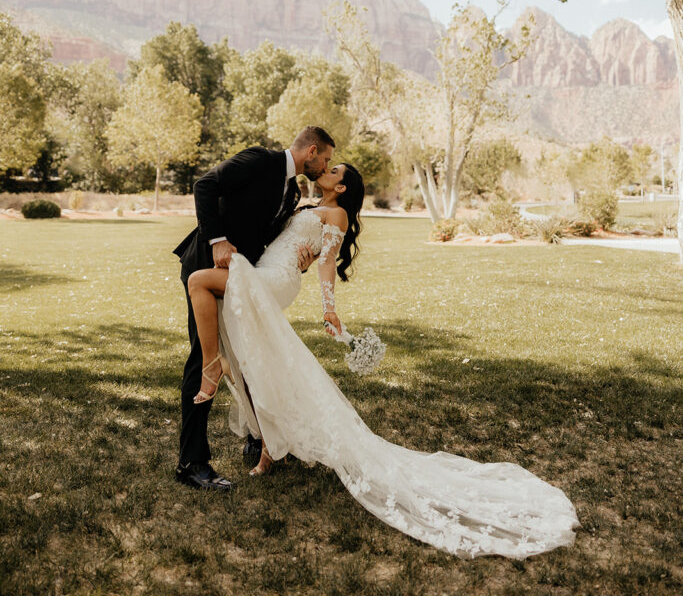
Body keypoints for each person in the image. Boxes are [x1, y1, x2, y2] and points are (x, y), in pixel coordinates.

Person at [189, 162, 580, 559]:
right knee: (261, 361)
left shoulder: (337, 213)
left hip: (275, 280)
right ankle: (270, 445)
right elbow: (291, 244)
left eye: (334, 168)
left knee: (199, 281)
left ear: (341, 186)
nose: (326, 168)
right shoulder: (306, 205)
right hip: (269, 271)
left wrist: (330, 309)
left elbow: (327, 263)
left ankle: (213, 366)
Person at [173, 125, 335, 491]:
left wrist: (300, 259)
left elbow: (270, 239)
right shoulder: (259, 159)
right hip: (205, 264)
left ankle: (259, 436)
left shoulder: (291, 191)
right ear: (311, 151)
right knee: (204, 359)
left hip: (242, 277)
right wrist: (217, 240)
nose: (325, 166)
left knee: (250, 357)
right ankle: (191, 462)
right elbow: (204, 186)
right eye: (325, 159)